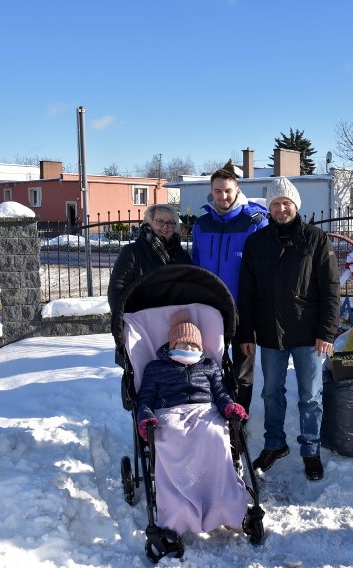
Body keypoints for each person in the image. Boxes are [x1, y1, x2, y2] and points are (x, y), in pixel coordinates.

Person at [237, 177, 340, 481]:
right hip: (270, 333)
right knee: (271, 393)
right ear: (269, 207)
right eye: (275, 204)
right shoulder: (256, 241)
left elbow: (331, 289)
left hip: (309, 333)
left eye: (286, 203)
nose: (281, 208)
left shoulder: (316, 239)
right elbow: (247, 292)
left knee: (310, 396)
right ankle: (274, 445)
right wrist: (245, 333)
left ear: (296, 205)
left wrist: (327, 331)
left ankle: (310, 450)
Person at [136, 309, 250, 534]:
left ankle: (222, 504)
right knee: (170, 436)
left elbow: (220, 392)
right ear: (170, 346)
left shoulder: (209, 366)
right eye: (181, 344)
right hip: (169, 411)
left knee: (216, 434)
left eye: (193, 346)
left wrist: (229, 406)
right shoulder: (155, 368)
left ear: (200, 348)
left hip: (204, 409)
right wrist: (146, 417)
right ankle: (179, 509)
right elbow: (145, 399)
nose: (188, 349)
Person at [191, 168, 268, 413]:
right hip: (209, 309)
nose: (223, 196)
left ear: (237, 190)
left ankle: (238, 418)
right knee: (209, 365)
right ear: (211, 192)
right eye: (217, 191)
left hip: (242, 308)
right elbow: (195, 266)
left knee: (242, 368)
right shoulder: (201, 225)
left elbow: (263, 271)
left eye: (227, 191)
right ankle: (213, 414)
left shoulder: (255, 222)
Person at [108, 204, 191, 364]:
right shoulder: (132, 252)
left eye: (171, 223)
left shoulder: (182, 255)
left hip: (175, 327)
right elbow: (117, 290)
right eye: (160, 221)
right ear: (148, 223)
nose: (165, 227)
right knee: (140, 376)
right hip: (140, 327)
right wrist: (125, 323)